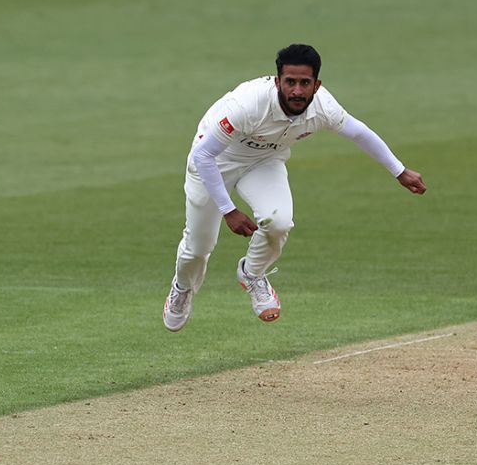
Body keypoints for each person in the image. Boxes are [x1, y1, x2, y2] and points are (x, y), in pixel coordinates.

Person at [163, 44, 426, 331]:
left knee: (278, 222)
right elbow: (203, 155)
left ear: (317, 84)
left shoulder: (323, 107)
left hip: (265, 160)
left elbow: (358, 132)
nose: (297, 91)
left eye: (305, 83)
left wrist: (399, 171)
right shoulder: (248, 105)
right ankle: (183, 288)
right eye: (290, 82)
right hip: (216, 161)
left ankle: (252, 274)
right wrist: (229, 210)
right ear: (278, 81)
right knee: (198, 248)